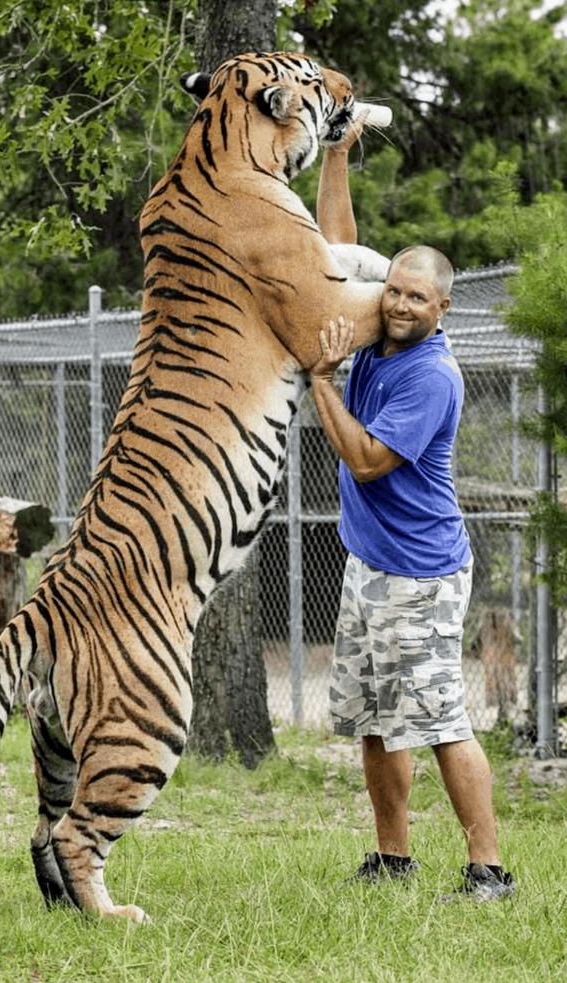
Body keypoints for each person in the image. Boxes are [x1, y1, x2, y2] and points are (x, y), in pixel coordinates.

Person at [309, 117, 515, 901]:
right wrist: (336, 153)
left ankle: (487, 869)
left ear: (443, 307)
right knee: (372, 717)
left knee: (437, 723)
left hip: (421, 577)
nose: (397, 303)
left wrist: (320, 379)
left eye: (415, 297)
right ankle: (392, 856)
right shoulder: (376, 329)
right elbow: (336, 247)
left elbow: (365, 462)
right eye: (392, 288)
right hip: (369, 567)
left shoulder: (430, 375)